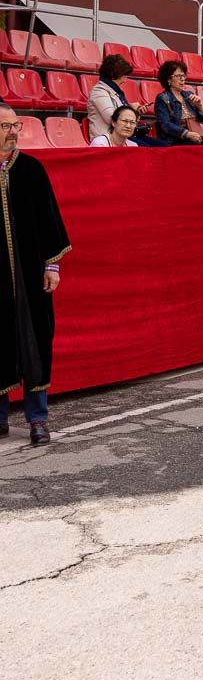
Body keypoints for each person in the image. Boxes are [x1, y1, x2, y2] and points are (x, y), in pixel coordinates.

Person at [0, 104, 70, 446]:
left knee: (35, 342)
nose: (13, 131)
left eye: (16, 125)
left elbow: (50, 222)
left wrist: (52, 266)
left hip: (30, 277)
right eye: (5, 126)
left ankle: (38, 419)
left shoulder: (31, 170)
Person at [86, 53, 142, 140]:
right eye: (123, 76)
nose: (125, 80)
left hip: (120, 136)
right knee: (152, 149)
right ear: (113, 75)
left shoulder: (113, 91)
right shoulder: (99, 92)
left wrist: (133, 110)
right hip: (108, 138)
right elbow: (112, 118)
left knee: (160, 146)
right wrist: (131, 111)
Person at [154, 61, 203, 145]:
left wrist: (200, 107)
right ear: (168, 79)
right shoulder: (163, 98)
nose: (182, 79)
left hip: (195, 138)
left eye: (183, 76)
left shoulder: (189, 95)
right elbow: (164, 125)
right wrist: (186, 133)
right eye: (178, 76)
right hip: (176, 140)